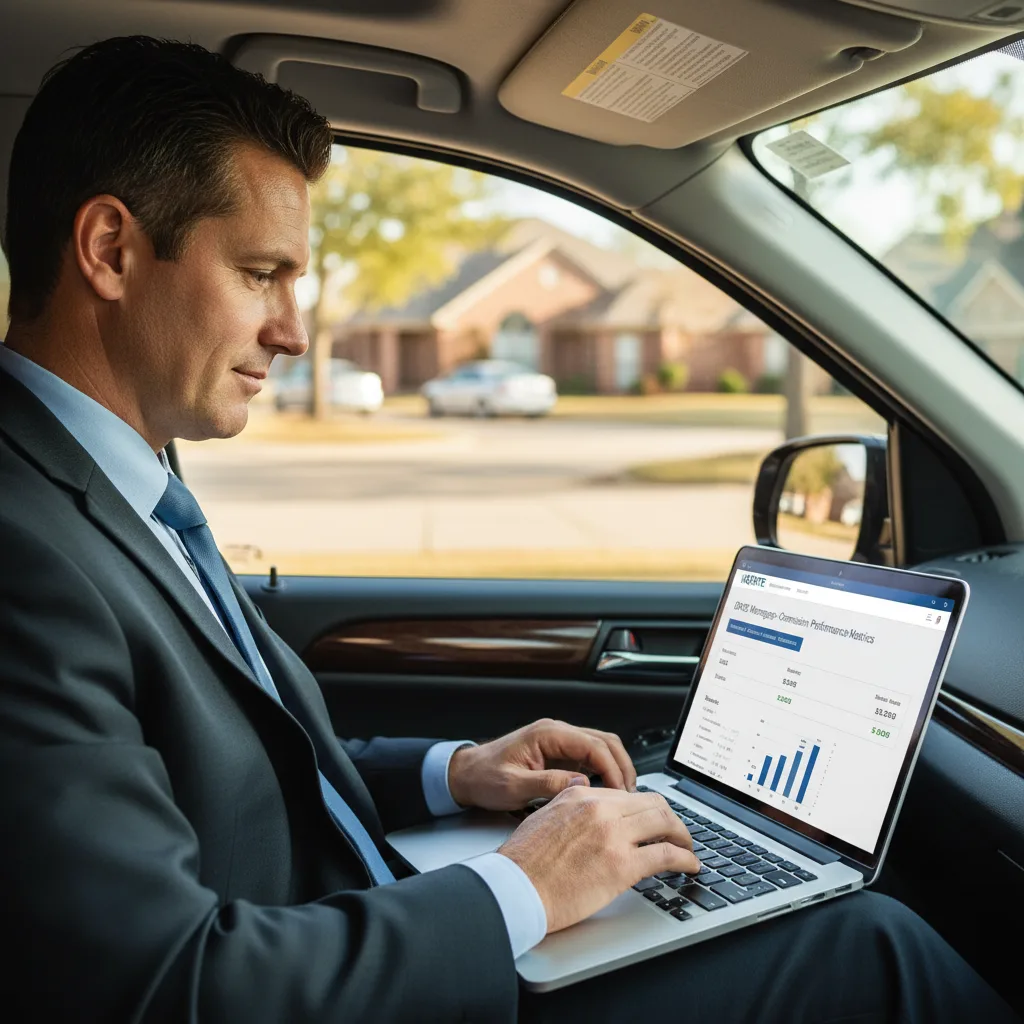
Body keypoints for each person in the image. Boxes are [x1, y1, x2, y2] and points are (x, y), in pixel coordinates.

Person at [0, 36, 1016, 1024]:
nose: (295, 330)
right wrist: (521, 889)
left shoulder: (118, 476)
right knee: (870, 948)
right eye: (263, 272)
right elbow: (163, 988)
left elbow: (242, 769)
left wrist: (456, 771)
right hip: (338, 974)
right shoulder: (24, 548)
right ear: (112, 251)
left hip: (360, 929)